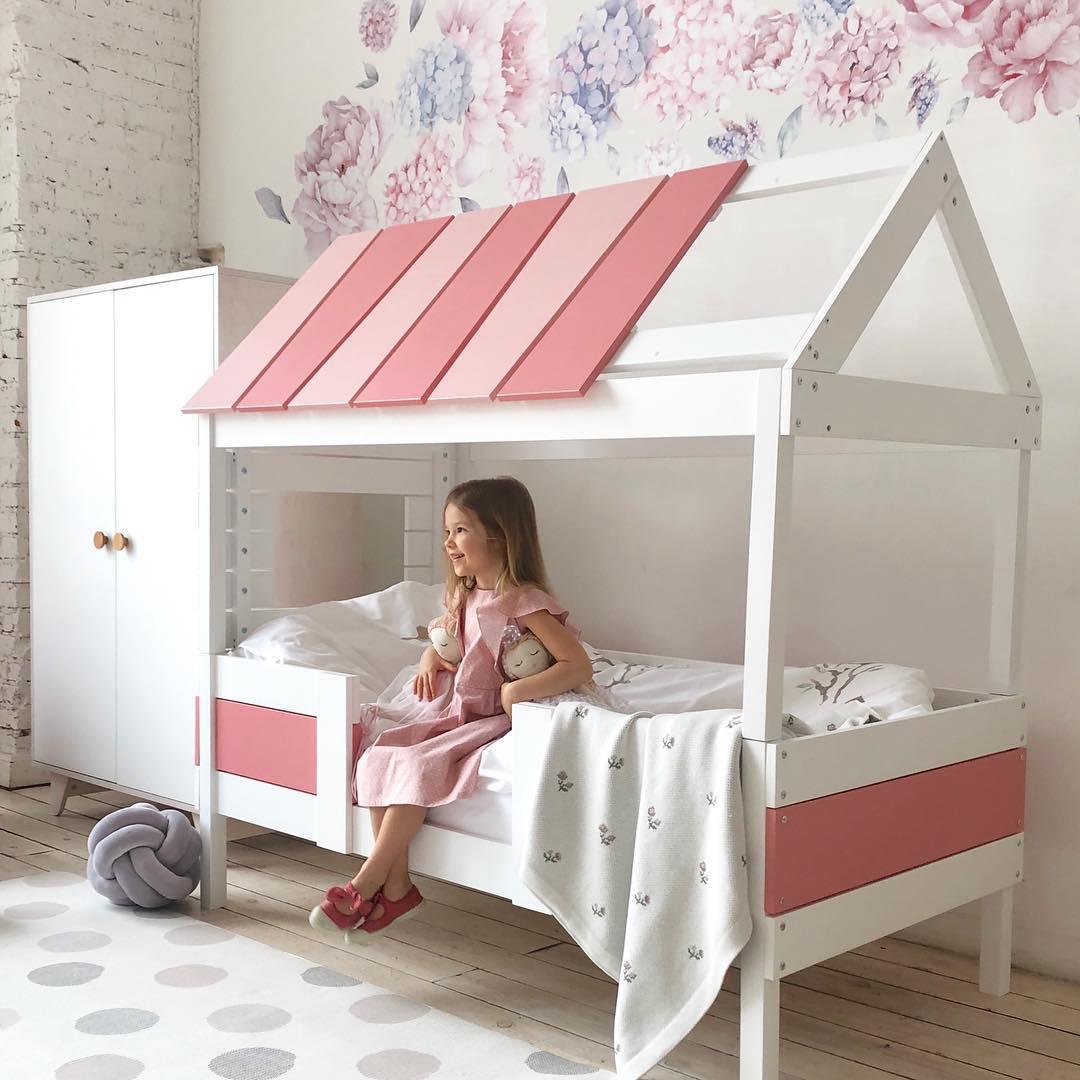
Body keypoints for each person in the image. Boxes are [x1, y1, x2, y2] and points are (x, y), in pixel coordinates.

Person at [310, 476, 592, 940]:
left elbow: (577, 665)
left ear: (498, 535)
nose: (448, 543)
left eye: (460, 530)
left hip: (490, 717)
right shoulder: (464, 595)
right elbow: (456, 649)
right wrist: (429, 659)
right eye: (447, 532)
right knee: (381, 754)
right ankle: (397, 888)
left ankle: (365, 882)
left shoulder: (523, 602)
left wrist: (517, 693)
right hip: (455, 708)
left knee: (419, 764)